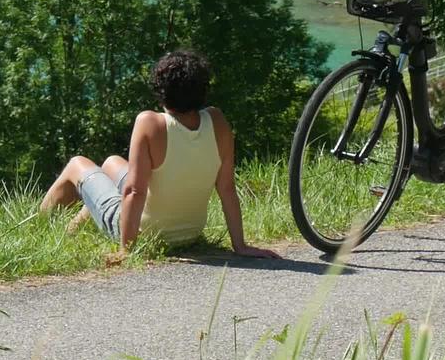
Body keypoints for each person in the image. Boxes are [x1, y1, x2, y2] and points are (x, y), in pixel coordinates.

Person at [39, 48, 282, 260]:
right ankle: (72, 229)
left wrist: (127, 249)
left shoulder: (150, 123)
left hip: (147, 233)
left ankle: (36, 225)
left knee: (76, 164)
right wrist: (240, 246)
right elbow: (227, 188)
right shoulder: (217, 121)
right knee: (112, 163)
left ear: (161, 89)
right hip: (189, 233)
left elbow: (134, 191)